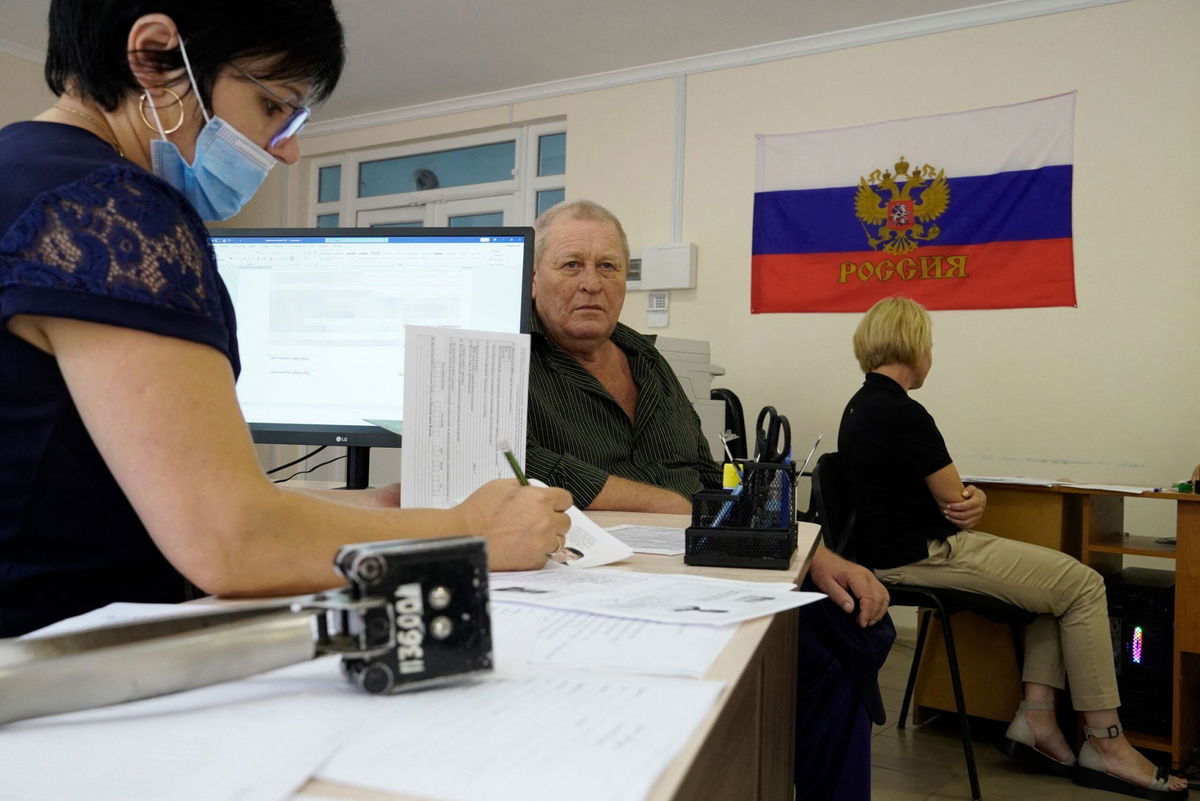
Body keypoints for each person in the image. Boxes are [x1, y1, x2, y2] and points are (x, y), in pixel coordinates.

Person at [0, 0, 571, 639]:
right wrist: (473, 531)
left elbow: (86, 489)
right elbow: (230, 541)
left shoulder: (21, 172)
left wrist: (358, 516)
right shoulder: (116, 210)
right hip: (53, 680)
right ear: (155, 57)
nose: (289, 150)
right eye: (274, 106)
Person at [524, 199, 893, 800]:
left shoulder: (649, 358)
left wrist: (808, 549)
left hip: (708, 561)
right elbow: (536, 470)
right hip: (604, 587)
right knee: (823, 654)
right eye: (571, 265)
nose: (592, 282)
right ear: (534, 277)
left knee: (843, 623)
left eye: (609, 267)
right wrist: (674, 508)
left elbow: (712, 472)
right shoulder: (513, 361)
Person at [838, 296, 1187, 800]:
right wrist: (973, 498)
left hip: (888, 554)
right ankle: (1107, 745)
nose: (932, 355)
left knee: (1052, 591)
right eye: (930, 345)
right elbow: (956, 500)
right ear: (915, 347)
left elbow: (929, 496)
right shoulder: (902, 412)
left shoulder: (859, 406)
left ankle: (1038, 720)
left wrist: (966, 501)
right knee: (1084, 585)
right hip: (923, 556)